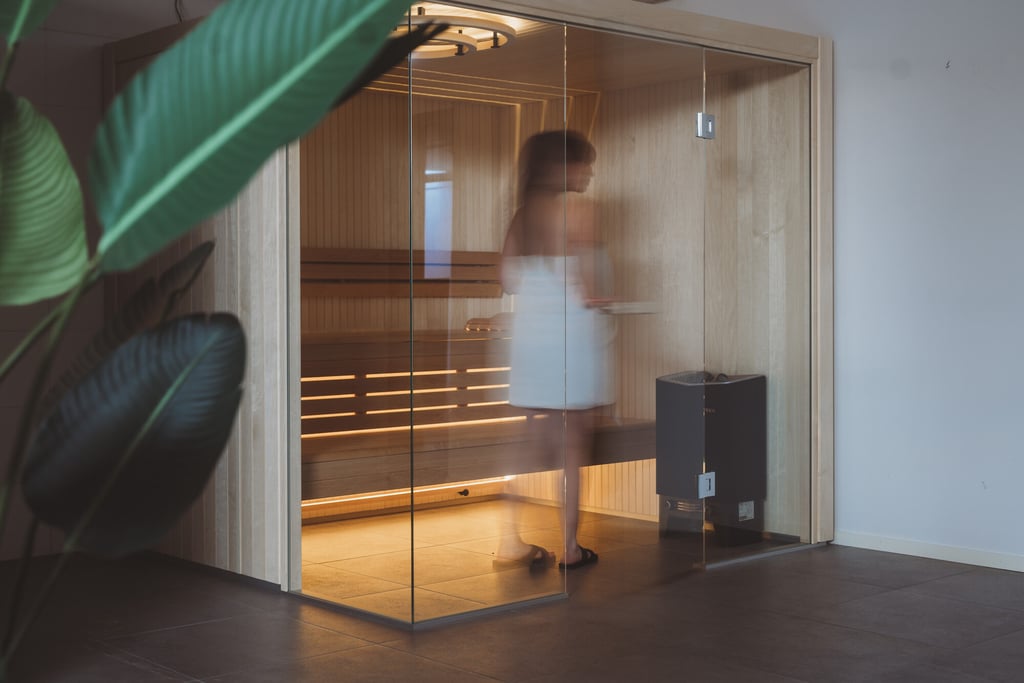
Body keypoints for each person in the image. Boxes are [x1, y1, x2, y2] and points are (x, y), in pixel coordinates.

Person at [495, 130, 613, 570]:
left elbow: (507, 279)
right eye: (585, 164)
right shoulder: (579, 212)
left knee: (529, 442)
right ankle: (569, 547)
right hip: (570, 342)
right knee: (572, 446)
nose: (590, 173)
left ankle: (510, 540)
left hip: (531, 344)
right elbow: (589, 289)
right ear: (561, 166)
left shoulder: (522, 217)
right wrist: (609, 300)